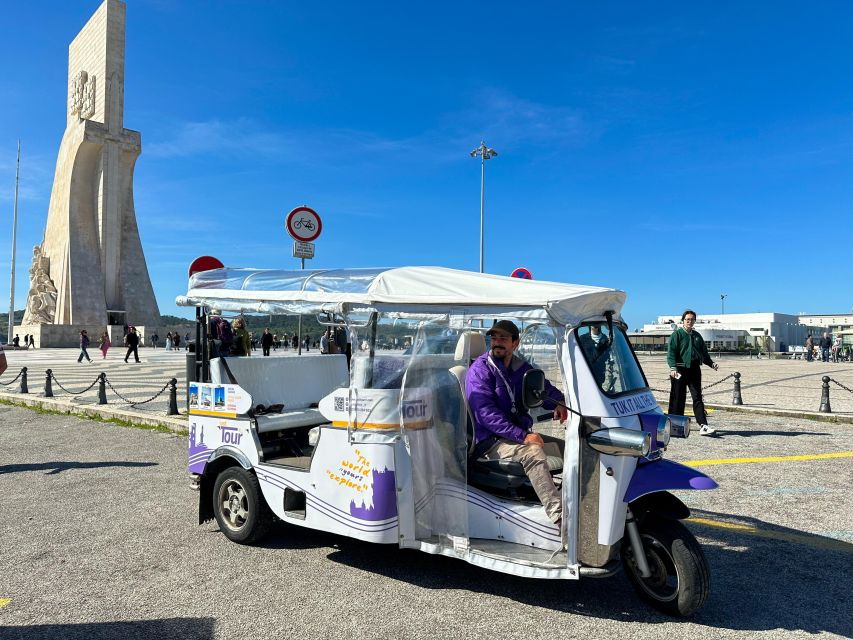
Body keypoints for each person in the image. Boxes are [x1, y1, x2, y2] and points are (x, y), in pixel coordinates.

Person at [465, 320, 568, 525]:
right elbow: (485, 414)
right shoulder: (480, 370)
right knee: (533, 452)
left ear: (515, 343)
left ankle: (572, 499)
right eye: (494, 338)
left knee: (568, 448)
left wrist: (560, 402)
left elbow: (542, 389)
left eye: (503, 338)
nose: (497, 343)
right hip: (490, 441)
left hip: (515, 435)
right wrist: (524, 436)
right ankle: (560, 517)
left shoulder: (521, 368)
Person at [667, 310, 719, 436]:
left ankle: (703, 426)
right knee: (678, 398)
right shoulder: (677, 335)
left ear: (695, 321)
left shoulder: (697, 336)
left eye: (692, 319)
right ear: (683, 321)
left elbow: (704, 354)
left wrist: (711, 364)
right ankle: (674, 426)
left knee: (697, 397)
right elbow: (671, 353)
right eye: (687, 319)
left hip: (695, 369)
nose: (690, 321)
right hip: (679, 370)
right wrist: (673, 368)